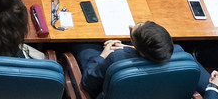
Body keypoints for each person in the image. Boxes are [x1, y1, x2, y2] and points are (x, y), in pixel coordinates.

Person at [77, 21, 209, 99]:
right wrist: (129, 48)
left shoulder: (116, 58)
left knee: (84, 46)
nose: (131, 25)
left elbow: (88, 84)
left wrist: (103, 55)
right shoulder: (180, 52)